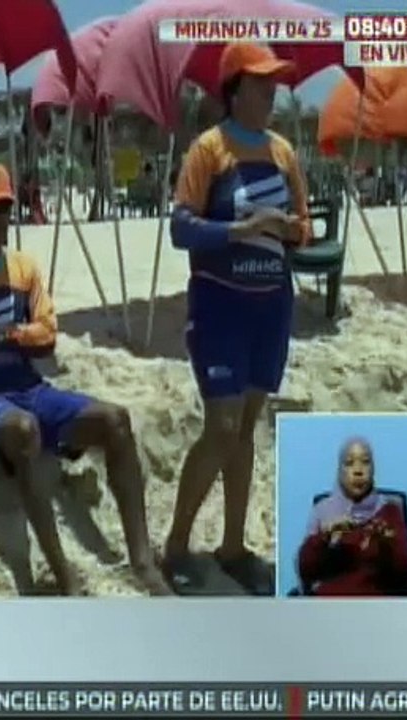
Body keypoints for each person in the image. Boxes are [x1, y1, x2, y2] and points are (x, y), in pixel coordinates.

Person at [0, 162, 170, 596]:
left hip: (30, 387)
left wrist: (5, 335)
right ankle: (64, 576)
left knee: (115, 420)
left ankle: (142, 560)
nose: (0, 218)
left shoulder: (23, 268)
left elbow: (48, 338)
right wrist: (19, 341)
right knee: (24, 431)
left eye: (5, 208)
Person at [161, 43, 311, 596]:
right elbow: (180, 229)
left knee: (246, 428)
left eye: (275, 83)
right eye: (261, 83)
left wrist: (280, 223)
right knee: (221, 428)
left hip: (270, 304)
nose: (272, 92)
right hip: (220, 303)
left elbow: (303, 229)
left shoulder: (282, 152)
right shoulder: (208, 150)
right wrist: (236, 232)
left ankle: (231, 546)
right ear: (234, 89)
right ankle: (175, 545)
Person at [298, 438, 407, 596]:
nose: (358, 471)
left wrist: (386, 544)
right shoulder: (323, 511)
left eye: (365, 462)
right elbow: (305, 571)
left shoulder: (389, 512)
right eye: (349, 463)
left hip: (377, 609)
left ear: (373, 469)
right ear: (339, 470)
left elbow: (406, 573)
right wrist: (324, 537)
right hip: (328, 609)